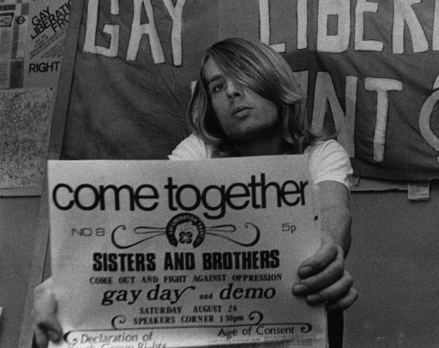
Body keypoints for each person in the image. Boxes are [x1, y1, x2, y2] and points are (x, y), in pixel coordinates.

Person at [33, 37, 358, 347]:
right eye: (217, 86)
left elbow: (334, 212)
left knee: (326, 298)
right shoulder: (199, 152)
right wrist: (64, 286)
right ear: (211, 106)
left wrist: (328, 250)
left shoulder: (321, 153)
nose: (231, 91)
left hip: (297, 308)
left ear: (273, 82)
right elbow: (141, 226)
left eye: (243, 77)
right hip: (211, 320)